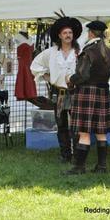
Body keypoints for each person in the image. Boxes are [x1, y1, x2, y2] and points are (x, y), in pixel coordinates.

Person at [64, 20, 110, 174]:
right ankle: (101, 167)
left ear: (91, 33)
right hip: (103, 92)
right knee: (101, 132)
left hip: (87, 93)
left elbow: (82, 75)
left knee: (84, 132)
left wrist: (70, 79)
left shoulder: (88, 52)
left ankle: (79, 167)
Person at [31, 16, 82, 163]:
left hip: (75, 93)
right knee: (61, 125)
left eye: (70, 33)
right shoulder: (51, 52)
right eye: (65, 33)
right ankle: (65, 154)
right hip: (59, 93)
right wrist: (47, 76)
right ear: (59, 35)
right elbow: (35, 65)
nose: (68, 35)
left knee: (77, 124)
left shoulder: (79, 52)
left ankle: (78, 155)